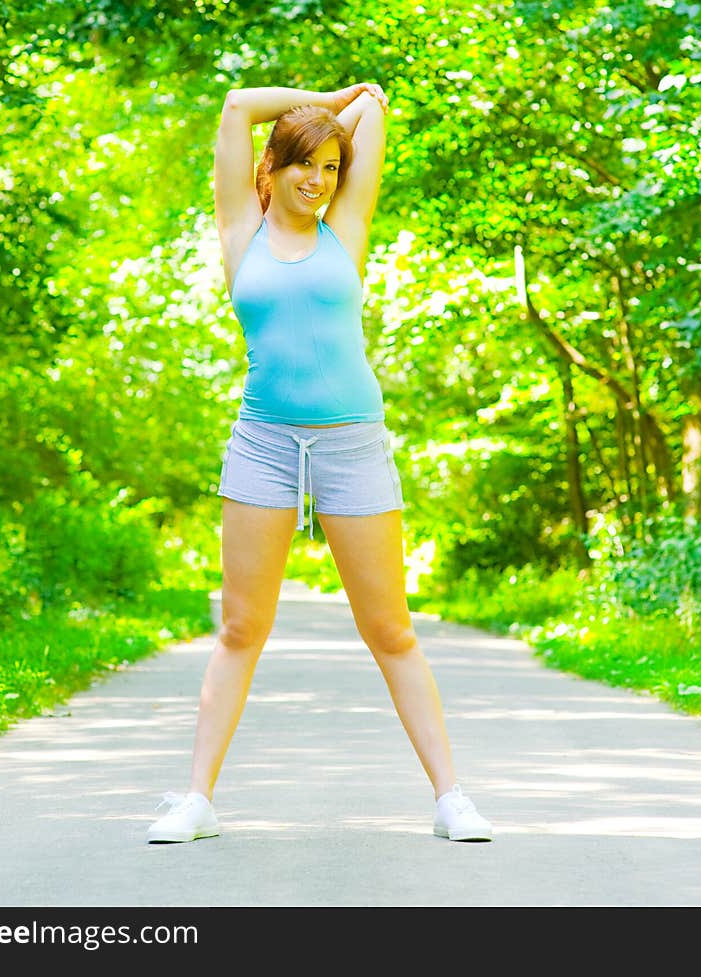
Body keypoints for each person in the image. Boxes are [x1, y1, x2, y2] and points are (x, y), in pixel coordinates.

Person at [146, 82, 492, 844]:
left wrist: (348, 108)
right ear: (273, 166)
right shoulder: (241, 229)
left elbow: (374, 108)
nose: (319, 178)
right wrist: (327, 97)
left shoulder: (348, 230)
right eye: (304, 163)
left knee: (391, 629)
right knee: (240, 626)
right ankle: (197, 799)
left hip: (352, 444)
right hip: (263, 445)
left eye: (332, 166)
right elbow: (235, 103)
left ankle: (450, 797)